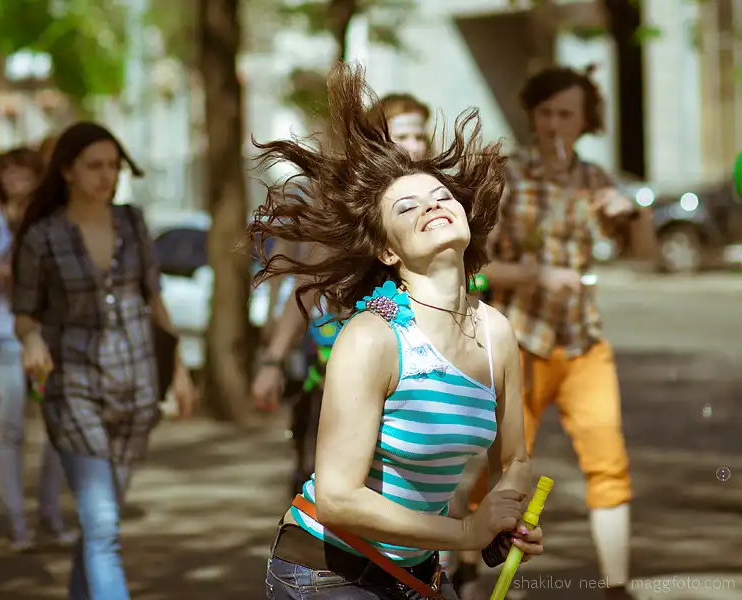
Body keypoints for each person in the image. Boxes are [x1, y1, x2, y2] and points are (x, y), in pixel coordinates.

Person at [250, 62, 543, 600]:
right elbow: (337, 497)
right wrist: (466, 532)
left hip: (416, 571)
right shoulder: (372, 338)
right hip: (327, 572)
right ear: (387, 250)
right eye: (407, 207)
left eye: (441, 196)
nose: (432, 205)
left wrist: (504, 514)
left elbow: (515, 460)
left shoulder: (497, 332)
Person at [463, 66, 637, 600]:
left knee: (608, 462)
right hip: (519, 342)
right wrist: (536, 274)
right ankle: (465, 571)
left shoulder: (595, 179)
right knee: (501, 465)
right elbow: (474, 266)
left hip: (583, 341)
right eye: (546, 113)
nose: (555, 124)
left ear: (586, 121)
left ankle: (616, 586)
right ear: (532, 115)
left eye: (567, 114)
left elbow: (645, 253)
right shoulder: (506, 176)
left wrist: (632, 214)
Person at [11, 121, 196, 600]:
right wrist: (31, 340)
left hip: (137, 387)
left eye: (113, 166)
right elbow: (24, 313)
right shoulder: (42, 236)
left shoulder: (132, 222)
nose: (106, 176)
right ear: (67, 170)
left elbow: (155, 301)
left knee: (100, 526)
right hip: (73, 387)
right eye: (95, 166)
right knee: (103, 525)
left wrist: (178, 373)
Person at [252, 92, 434, 498]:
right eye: (403, 135)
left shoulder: (443, 201)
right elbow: (308, 283)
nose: (415, 145)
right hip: (348, 367)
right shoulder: (351, 204)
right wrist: (273, 360)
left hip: (420, 368)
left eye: (421, 135)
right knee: (333, 483)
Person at [0, 147, 75, 552]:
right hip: (3, 337)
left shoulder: (53, 221)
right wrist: (0, 272)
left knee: (56, 424)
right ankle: (17, 523)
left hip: (44, 339)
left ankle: (50, 510)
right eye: (8, 173)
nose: (17, 180)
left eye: (24, 172)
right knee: (11, 429)